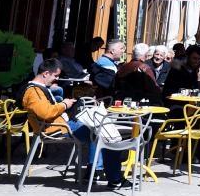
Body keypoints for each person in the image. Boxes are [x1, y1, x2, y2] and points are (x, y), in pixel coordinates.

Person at [20, 60, 128, 189]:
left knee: (101, 131)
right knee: (107, 135)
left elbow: (46, 111)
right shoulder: (33, 91)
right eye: (55, 76)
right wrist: (64, 104)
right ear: (46, 73)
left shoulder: (37, 89)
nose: (56, 79)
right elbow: (46, 113)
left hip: (60, 125)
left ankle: (97, 173)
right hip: (58, 129)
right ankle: (112, 178)